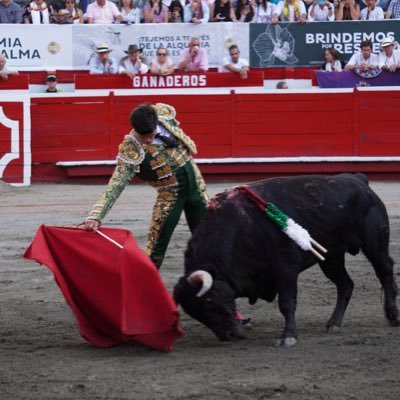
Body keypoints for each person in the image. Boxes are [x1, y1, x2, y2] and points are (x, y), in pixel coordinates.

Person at [83, 103, 209, 269]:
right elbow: (116, 184)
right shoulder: (131, 149)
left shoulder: (164, 115)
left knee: (209, 238)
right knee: (156, 247)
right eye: (144, 137)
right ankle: (143, 285)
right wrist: (96, 215)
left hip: (196, 187)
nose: (148, 140)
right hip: (170, 197)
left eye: (150, 135)